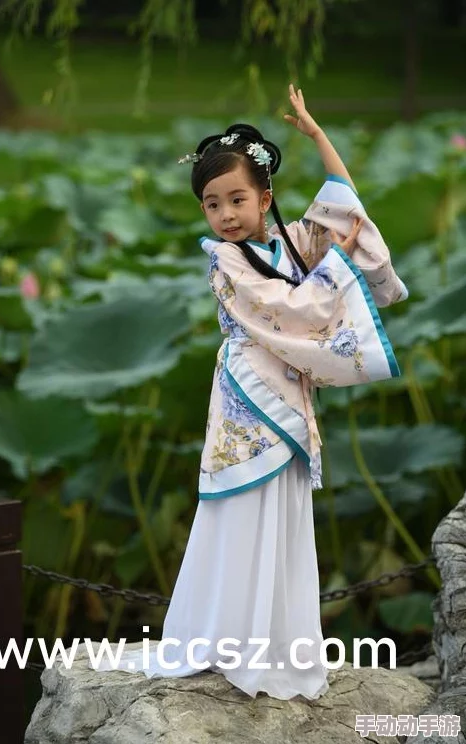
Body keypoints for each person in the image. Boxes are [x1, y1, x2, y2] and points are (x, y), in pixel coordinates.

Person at [93, 84, 409, 700]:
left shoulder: (287, 241)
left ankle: (278, 652)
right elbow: (286, 308)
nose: (227, 214)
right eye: (213, 204)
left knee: (283, 518)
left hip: (288, 399)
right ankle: (224, 644)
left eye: (238, 199)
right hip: (247, 399)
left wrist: (318, 138)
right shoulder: (227, 264)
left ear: (264, 198)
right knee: (241, 514)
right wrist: (335, 270)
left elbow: (344, 212)